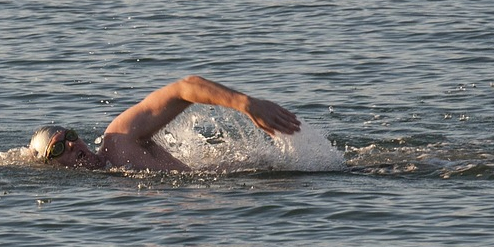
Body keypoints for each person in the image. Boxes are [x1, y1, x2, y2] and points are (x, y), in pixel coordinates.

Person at [27, 75, 302, 171]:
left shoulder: (118, 139)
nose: (72, 144)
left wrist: (247, 104)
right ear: (51, 166)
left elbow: (184, 88)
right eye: (59, 148)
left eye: (70, 136)